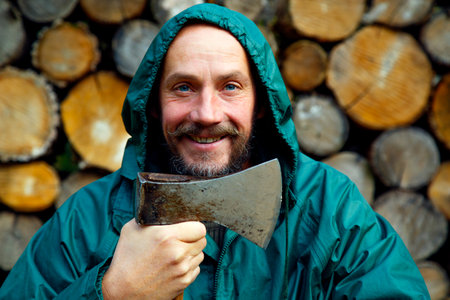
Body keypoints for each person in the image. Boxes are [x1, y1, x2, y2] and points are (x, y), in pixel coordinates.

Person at [0, 3, 430, 299]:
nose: (207, 113)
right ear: (153, 103)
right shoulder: (86, 221)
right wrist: (112, 292)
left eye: (230, 87)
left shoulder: (326, 208)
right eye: (183, 87)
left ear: (260, 105)